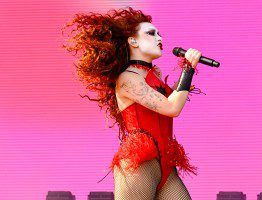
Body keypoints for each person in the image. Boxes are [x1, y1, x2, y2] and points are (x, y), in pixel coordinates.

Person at [62, 6, 203, 199]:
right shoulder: (127, 79)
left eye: (159, 34)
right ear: (133, 41)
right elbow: (172, 107)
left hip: (165, 163)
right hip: (139, 162)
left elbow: (170, 99)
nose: (159, 38)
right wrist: (187, 70)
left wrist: (187, 69)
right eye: (151, 33)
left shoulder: (155, 75)